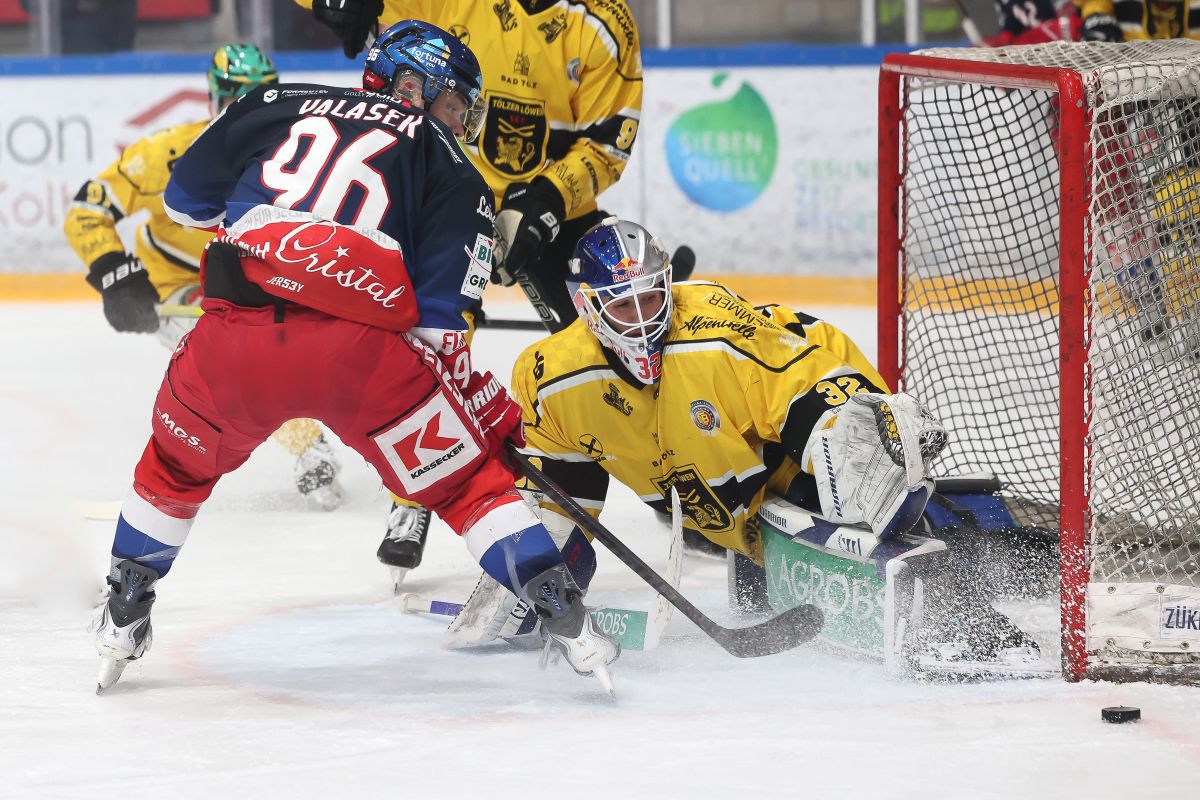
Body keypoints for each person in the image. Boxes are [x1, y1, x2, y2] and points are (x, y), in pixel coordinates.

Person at [90, 20, 619, 695]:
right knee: (466, 486)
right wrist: (481, 417)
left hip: (233, 340)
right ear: (409, 84)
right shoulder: (456, 171)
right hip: (363, 360)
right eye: (455, 104)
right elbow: (440, 334)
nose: (460, 122)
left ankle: (124, 610)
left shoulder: (269, 103)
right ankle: (568, 620)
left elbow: (183, 202)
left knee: (174, 468)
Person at [445, 218, 1042, 666]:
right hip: (715, 485)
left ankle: (993, 569)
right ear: (585, 309)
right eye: (622, 307)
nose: (644, 318)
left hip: (786, 434)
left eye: (652, 296)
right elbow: (564, 501)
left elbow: (804, 384)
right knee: (754, 542)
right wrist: (537, 575)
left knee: (861, 501)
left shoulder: (713, 332)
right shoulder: (552, 376)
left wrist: (849, 429)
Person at [298, 0, 648, 584]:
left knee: (618, 334)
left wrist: (542, 205)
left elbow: (609, 141)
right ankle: (413, 496)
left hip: (544, 200)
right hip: (437, 190)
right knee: (421, 343)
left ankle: (672, 479)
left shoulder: (605, 24)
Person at [63, 45, 345, 511]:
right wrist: (115, 272)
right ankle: (308, 444)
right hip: (182, 286)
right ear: (214, 97)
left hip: (264, 280)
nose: (250, 109)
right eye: (237, 97)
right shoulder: (165, 154)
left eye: (263, 95)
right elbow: (87, 208)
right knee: (239, 356)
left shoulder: (303, 158)